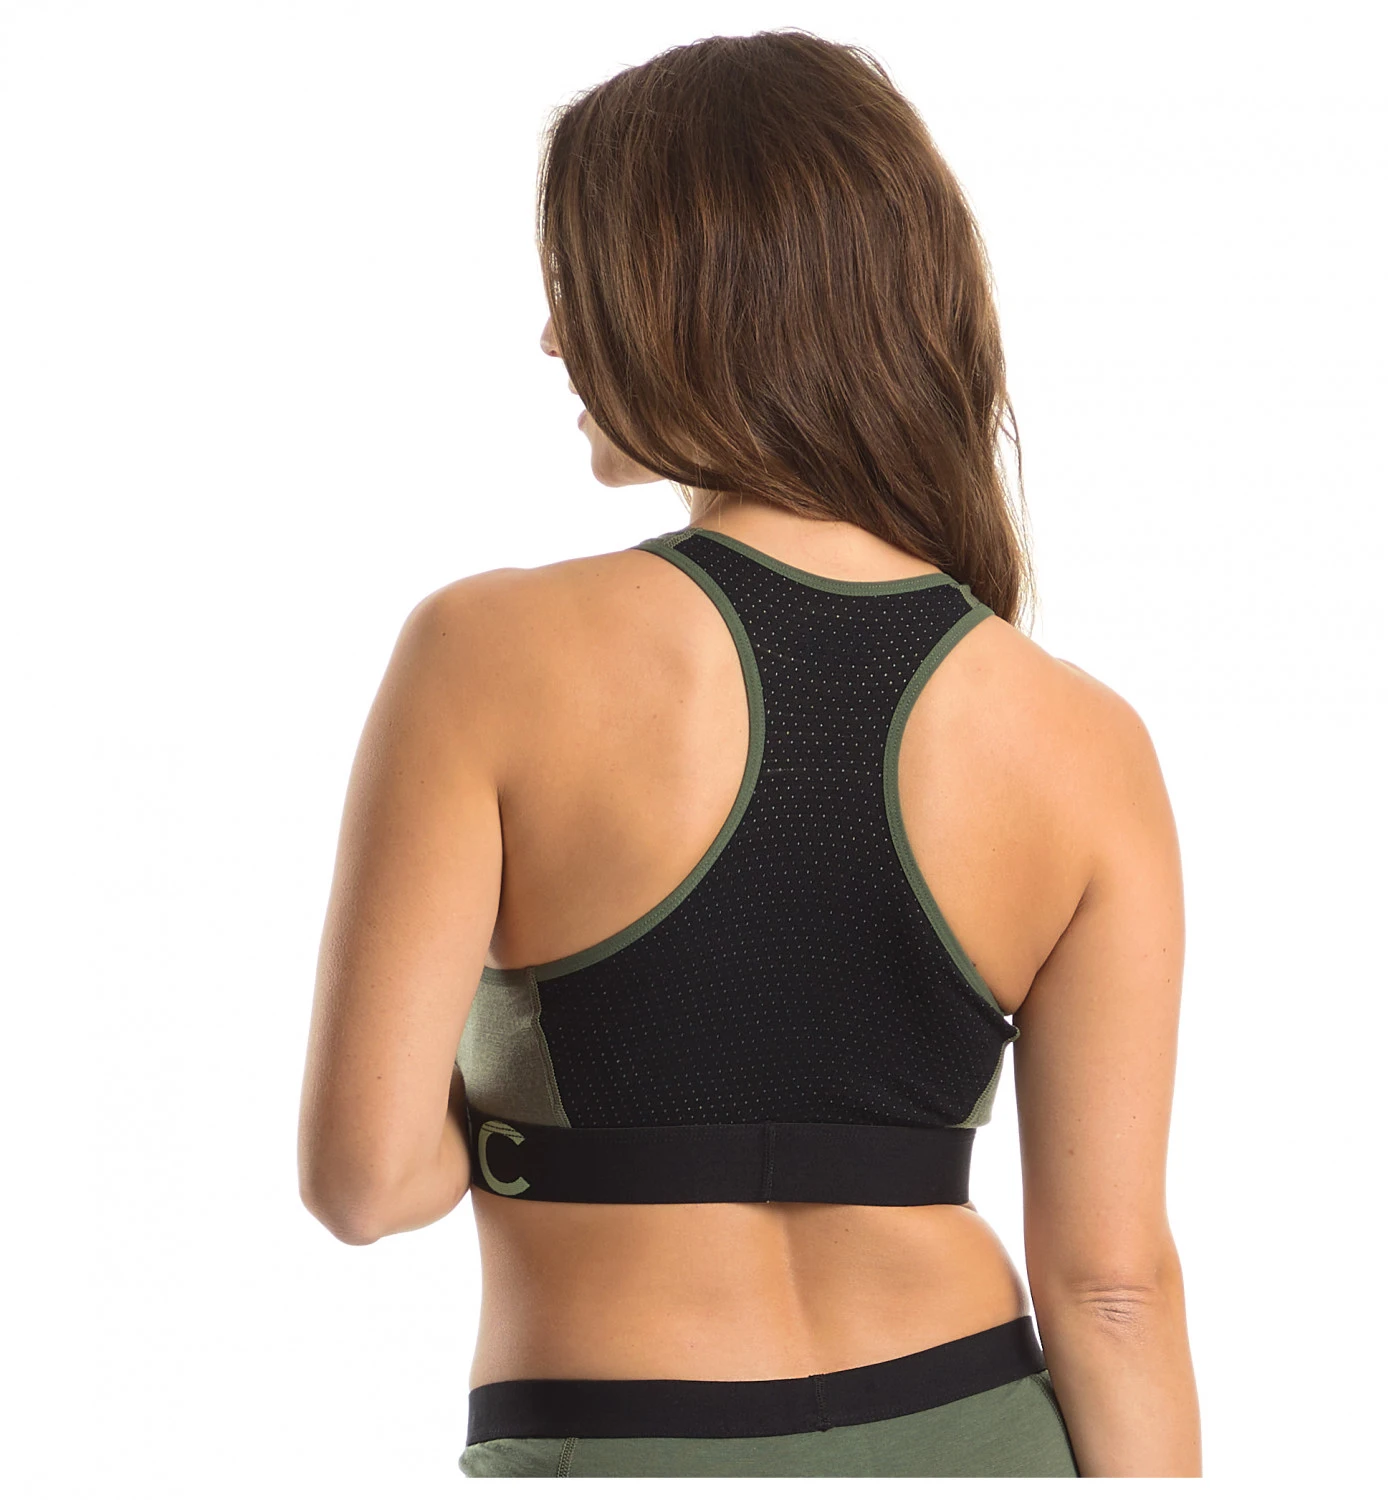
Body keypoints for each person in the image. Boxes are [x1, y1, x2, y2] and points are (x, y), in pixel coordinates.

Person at [297, 28, 1200, 1478]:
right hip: (977, 1430)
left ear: (687, 294)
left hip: (624, 1446)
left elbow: (364, 1179)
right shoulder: (1085, 738)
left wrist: (517, 1093)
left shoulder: (487, 652)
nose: (554, 337)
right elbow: (1113, 1291)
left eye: (578, 283)